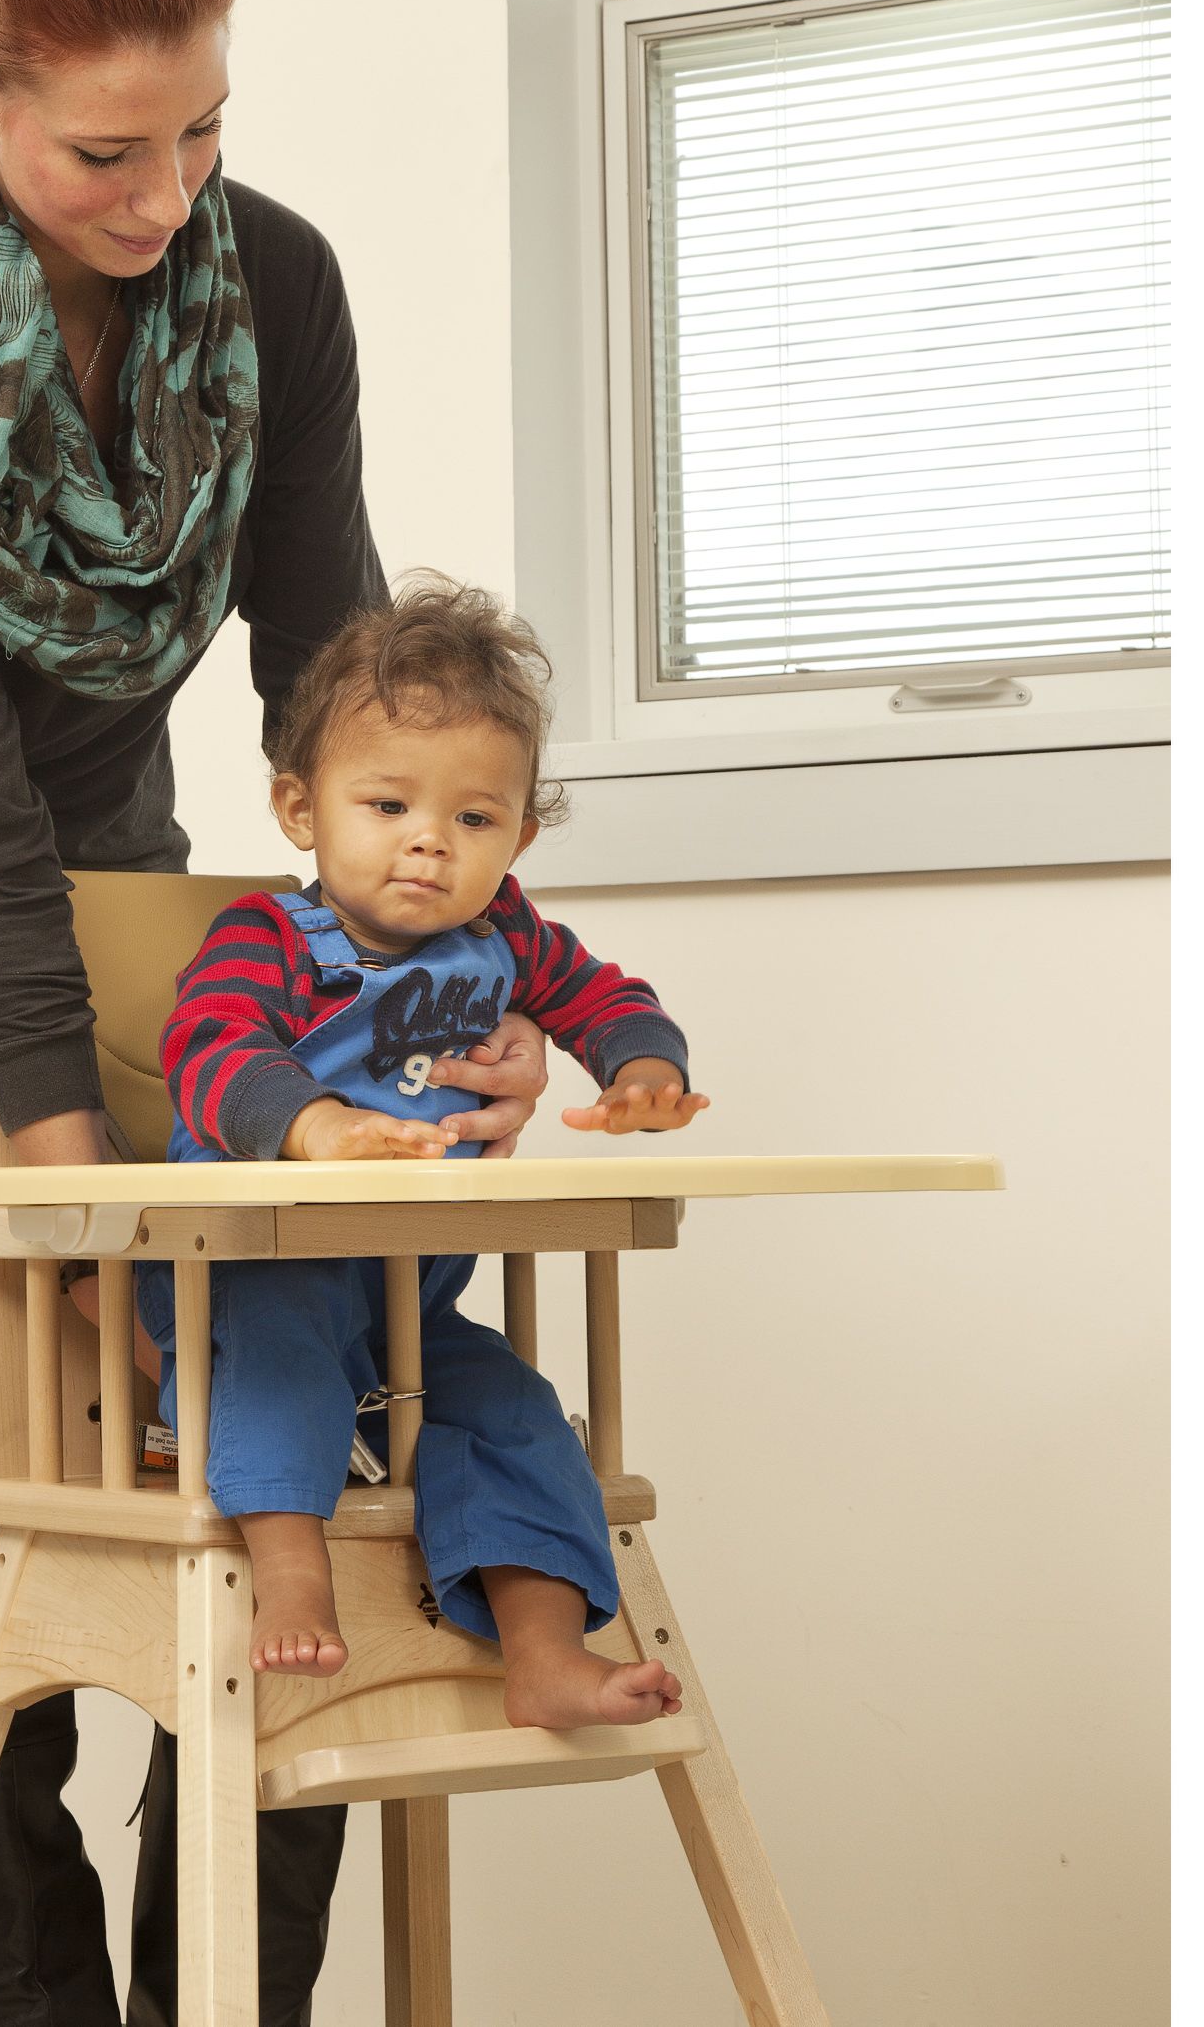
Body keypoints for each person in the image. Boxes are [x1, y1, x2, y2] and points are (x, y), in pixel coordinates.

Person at [0, 0, 554, 2026]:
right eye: (108, 145)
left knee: (274, 1475)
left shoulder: (269, 288)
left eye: (203, 128)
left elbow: (351, 681)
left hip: (129, 926)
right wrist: (60, 1158)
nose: (167, 191)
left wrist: (473, 971)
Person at [139, 578, 706, 1718]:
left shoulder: (509, 939)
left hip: (408, 1299)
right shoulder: (272, 937)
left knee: (519, 1412)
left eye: (473, 820)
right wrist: (314, 1128)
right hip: (249, 1275)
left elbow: (607, 997)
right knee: (287, 1337)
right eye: (387, 806)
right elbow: (209, 1046)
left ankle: (545, 1653)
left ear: (520, 836)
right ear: (302, 808)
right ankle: (294, 1577)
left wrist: (643, 1071)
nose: (428, 847)